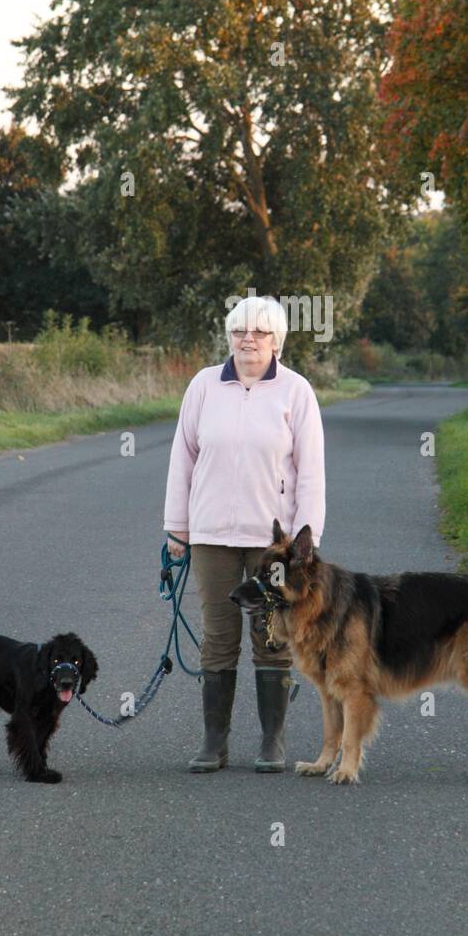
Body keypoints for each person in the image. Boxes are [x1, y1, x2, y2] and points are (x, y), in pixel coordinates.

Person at [163, 294, 326, 772]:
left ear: (276, 340)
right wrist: (177, 528)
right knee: (218, 636)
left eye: (258, 332)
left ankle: (272, 743)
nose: (247, 339)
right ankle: (214, 743)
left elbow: (311, 470)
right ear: (229, 336)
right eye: (239, 331)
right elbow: (183, 458)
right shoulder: (203, 386)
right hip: (211, 533)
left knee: (271, 636)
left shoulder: (296, 392)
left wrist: (305, 541)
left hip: (273, 543)